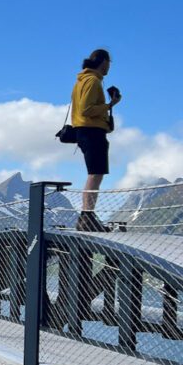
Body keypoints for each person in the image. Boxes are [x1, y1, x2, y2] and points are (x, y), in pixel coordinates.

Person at [71, 48, 121, 232]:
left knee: (94, 173)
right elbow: (87, 109)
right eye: (109, 63)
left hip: (82, 131)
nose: (109, 67)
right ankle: (87, 217)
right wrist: (109, 105)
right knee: (96, 174)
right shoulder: (93, 81)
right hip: (92, 131)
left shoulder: (81, 81)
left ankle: (87, 216)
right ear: (103, 62)